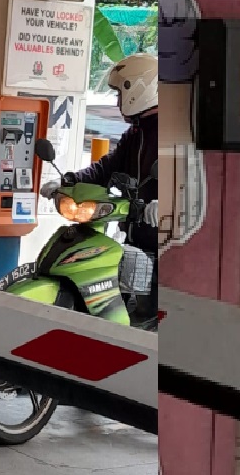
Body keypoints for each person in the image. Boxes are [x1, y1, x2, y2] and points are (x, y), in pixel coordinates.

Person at [41, 52, 159, 325]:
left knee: (150, 307)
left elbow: (189, 182)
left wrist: (166, 204)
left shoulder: (174, 133)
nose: (118, 102)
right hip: (136, 235)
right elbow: (106, 169)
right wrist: (67, 181)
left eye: (120, 94)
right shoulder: (135, 134)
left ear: (139, 90)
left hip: (166, 246)